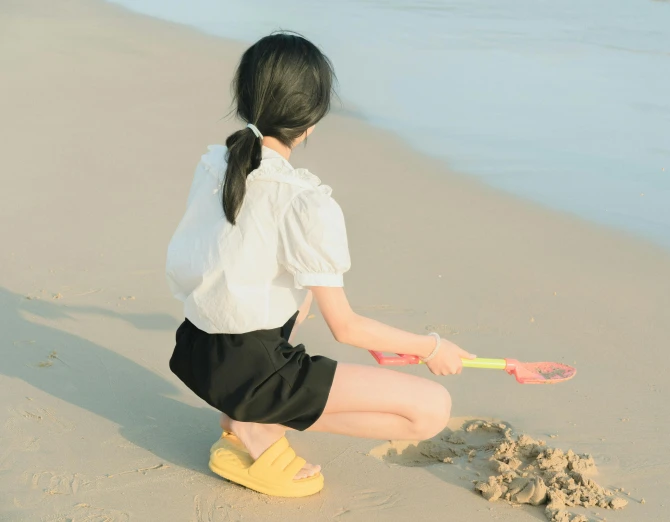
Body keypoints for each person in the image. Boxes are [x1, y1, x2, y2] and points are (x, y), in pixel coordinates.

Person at [165, 32, 475, 497]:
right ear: (311, 120)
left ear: (245, 99)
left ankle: (245, 413)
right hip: (251, 370)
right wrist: (432, 348)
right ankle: (255, 425)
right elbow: (346, 328)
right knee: (431, 409)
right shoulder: (302, 200)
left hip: (197, 350)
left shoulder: (216, 164)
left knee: (302, 292)